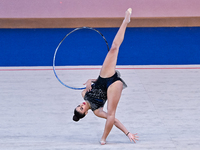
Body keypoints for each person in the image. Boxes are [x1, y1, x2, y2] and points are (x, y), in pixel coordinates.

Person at [73, 8, 139, 145]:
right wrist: (128, 133)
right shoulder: (97, 111)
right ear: (85, 113)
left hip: (104, 77)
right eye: (81, 108)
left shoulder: (84, 94)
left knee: (114, 48)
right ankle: (104, 138)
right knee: (111, 114)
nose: (81, 105)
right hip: (113, 86)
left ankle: (125, 21)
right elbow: (113, 120)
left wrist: (88, 81)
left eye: (78, 105)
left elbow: (94, 81)